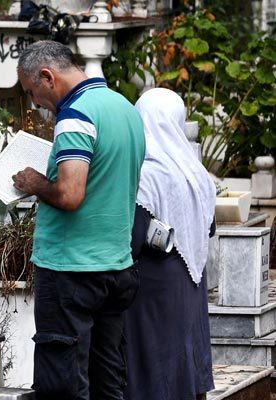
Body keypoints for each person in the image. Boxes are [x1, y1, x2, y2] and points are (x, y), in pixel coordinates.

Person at [12, 40, 145, 400]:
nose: (35, 103)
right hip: (116, 266)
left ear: (46, 77)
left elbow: (70, 195)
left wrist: (34, 182)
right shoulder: (124, 108)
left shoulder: (76, 115)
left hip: (71, 269)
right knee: (108, 381)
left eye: (32, 92)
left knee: (64, 384)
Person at [124, 88, 216, 400]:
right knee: (182, 353)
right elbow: (210, 227)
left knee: (153, 363)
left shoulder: (145, 171)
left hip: (153, 283)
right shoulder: (195, 170)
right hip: (190, 279)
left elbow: (134, 239)